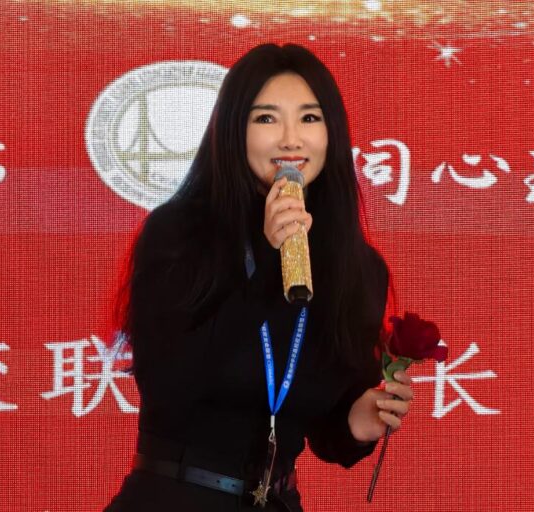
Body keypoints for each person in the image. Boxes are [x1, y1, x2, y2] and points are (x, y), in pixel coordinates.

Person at [104, 43, 414, 512]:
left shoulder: (357, 267)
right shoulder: (178, 235)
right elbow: (171, 386)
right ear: (233, 130)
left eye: (309, 118)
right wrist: (269, 261)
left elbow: (324, 427)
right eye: (266, 118)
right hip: (175, 497)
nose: (291, 140)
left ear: (332, 133)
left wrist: (357, 421)